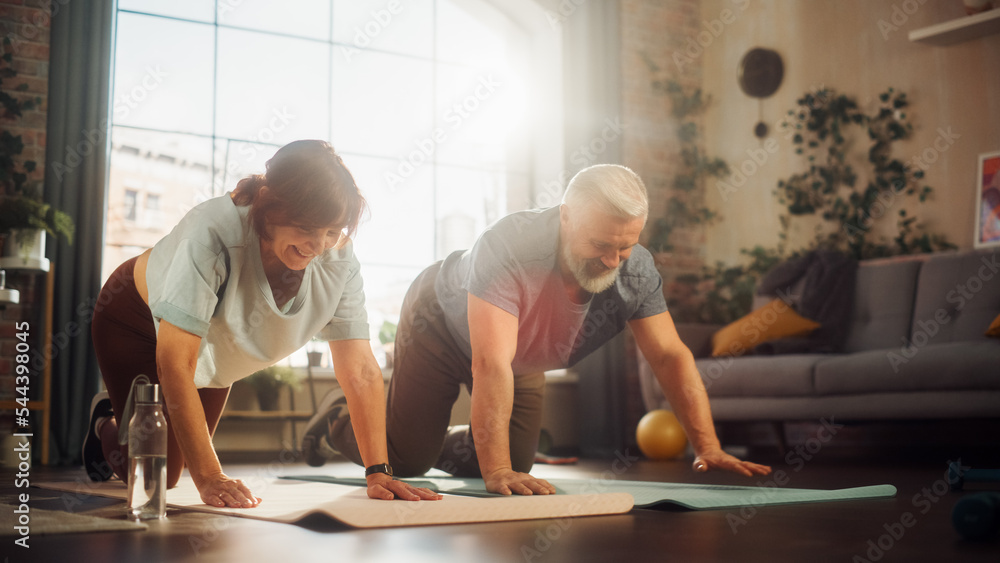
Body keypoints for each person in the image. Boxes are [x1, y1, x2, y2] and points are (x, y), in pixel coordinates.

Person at [306, 163, 771, 495]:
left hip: (519, 352)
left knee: (521, 466)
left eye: (625, 247)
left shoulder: (636, 272)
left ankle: (444, 444)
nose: (612, 260)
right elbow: (490, 362)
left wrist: (708, 444)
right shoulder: (511, 245)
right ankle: (335, 417)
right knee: (408, 460)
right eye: (600, 244)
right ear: (566, 215)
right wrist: (495, 471)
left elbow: (671, 355)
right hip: (440, 327)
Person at [83, 140, 442, 507]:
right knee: (158, 475)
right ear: (269, 205)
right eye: (306, 227)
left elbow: (360, 369)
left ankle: (120, 422)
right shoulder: (210, 232)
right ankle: (107, 425)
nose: (318, 245)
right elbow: (174, 362)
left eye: (331, 231)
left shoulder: (338, 258)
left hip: (214, 346)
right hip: (136, 320)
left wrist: (378, 470)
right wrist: (210, 477)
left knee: (173, 463)